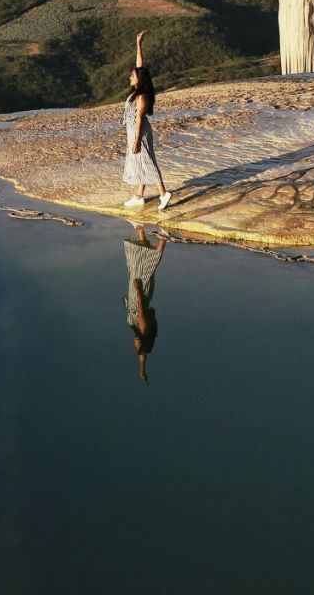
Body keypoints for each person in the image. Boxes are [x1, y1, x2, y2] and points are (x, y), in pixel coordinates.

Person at [121, 30, 172, 211]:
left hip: (139, 132)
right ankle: (139, 195)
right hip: (134, 131)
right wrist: (138, 45)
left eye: (132, 76)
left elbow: (140, 120)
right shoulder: (138, 90)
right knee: (142, 161)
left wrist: (136, 141)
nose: (130, 77)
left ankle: (163, 194)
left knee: (147, 161)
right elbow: (139, 67)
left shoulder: (141, 96)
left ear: (138, 80)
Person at [123, 223, 166, 383]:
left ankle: (140, 230)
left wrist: (142, 371)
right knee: (147, 267)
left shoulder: (140, 335)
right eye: (135, 346)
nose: (133, 345)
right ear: (140, 342)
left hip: (139, 295)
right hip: (139, 295)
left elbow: (142, 355)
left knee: (139, 262)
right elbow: (140, 309)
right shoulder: (142, 329)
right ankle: (162, 240)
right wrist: (139, 289)